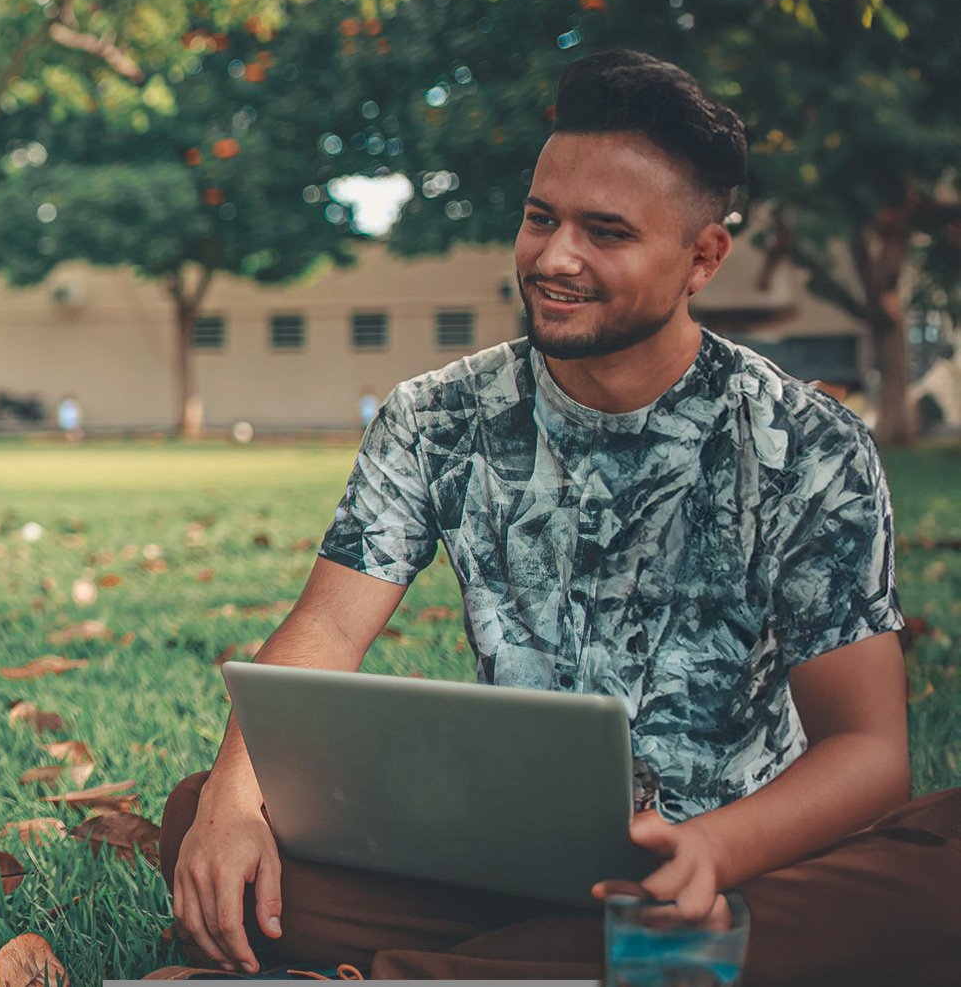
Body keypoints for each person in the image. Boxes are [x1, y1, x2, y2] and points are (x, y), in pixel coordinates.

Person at [159, 50, 960, 981]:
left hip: (742, 863)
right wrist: (230, 803)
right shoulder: (438, 417)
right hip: (508, 858)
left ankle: (436, 973)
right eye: (542, 218)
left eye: (605, 232)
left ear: (703, 257)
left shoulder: (809, 444)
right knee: (206, 822)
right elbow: (329, 626)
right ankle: (605, 968)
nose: (553, 258)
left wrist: (714, 853)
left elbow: (868, 750)